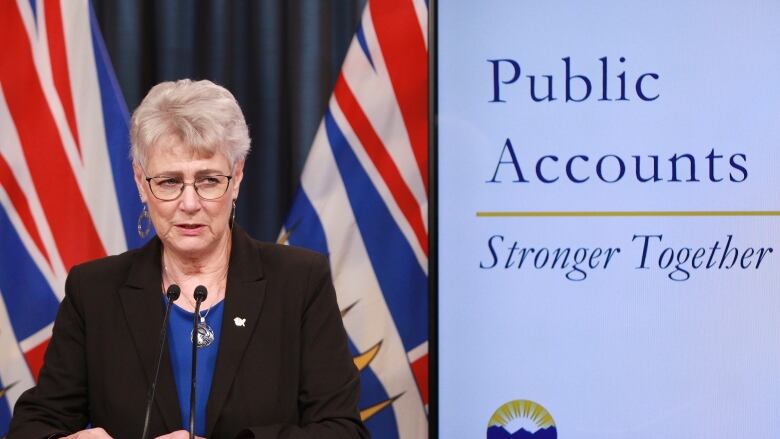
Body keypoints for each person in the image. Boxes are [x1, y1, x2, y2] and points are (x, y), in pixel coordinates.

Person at [8, 79, 369, 439]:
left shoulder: (299, 282)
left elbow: (343, 431)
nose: (190, 203)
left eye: (209, 180)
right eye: (168, 182)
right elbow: (32, 426)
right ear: (140, 182)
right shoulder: (95, 291)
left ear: (238, 176)